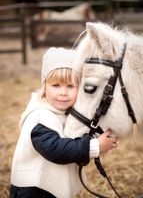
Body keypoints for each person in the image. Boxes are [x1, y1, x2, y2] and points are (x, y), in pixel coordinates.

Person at [10, 47, 118, 198]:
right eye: (55, 85)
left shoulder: (67, 113)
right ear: (44, 87)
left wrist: (100, 139)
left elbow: (74, 138)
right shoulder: (38, 116)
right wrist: (95, 146)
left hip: (48, 188)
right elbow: (57, 150)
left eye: (70, 86)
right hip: (33, 191)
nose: (63, 92)